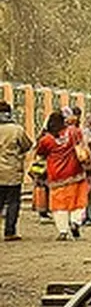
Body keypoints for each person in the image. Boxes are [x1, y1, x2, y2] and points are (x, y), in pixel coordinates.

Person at [35, 108, 89, 240]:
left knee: (59, 204)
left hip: (56, 175)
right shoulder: (74, 132)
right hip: (76, 172)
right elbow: (82, 145)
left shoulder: (46, 139)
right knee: (79, 200)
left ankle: (63, 231)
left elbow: (40, 153)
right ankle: (75, 222)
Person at [0, 100, 33, 241]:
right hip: (13, 170)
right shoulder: (16, 130)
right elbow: (27, 145)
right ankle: (10, 231)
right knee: (13, 202)